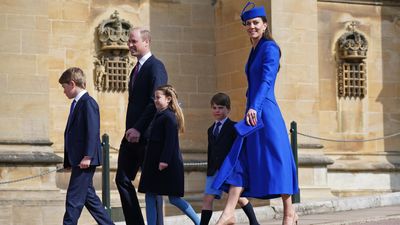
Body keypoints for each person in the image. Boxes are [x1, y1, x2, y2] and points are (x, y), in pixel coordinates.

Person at [212, 2, 299, 225]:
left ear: (265, 24)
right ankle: (229, 212)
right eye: (248, 23)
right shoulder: (254, 49)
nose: (252, 26)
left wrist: (254, 106)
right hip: (254, 111)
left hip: (265, 112)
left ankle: (289, 212)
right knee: (241, 159)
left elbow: (267, 80)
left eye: (256, 23)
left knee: (277, 160)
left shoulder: (270, 47)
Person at [115, 27, 168, 225]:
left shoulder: (156, 67)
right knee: (122, 179)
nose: (129, 45)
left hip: (148, 137)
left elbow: (154, 102)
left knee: (152, 186)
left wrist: (138, 128)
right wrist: (132, 129)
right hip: (132, 136)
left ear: (146, 42)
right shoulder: (135, 69)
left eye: (133, 41)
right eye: (129, 41)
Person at [138, 85, 200, 225]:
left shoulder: (169, 117)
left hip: (166, 165)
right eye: (154, 97)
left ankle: (199, 222)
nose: (155, 100)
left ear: (168, 99)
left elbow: (170, 141)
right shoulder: (159, 115)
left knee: (174, 198)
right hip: (154, 163)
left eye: (158, 97)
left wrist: (164, 161)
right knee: (150, 194)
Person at [59, 67, 114, 225]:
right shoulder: (77, 104)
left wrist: (88, 156)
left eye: (64, 87)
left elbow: (92, 131)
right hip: (79, 159)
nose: (64, 92)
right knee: (91, 200)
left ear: (72, 83)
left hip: (85, 159)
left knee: (73, 200)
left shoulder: (88, 103)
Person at [200, 93, 259, 225]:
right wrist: (209, 169)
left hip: (229, 169)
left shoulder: (234, 127)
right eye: (214, 108)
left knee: (239, 198)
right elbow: (211, 151)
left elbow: (239, 149)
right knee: (207, 198)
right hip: (214, 170)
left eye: (220, 108)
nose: (217, 111)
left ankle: (254, 222)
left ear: (228, 109)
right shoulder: (210, 130)